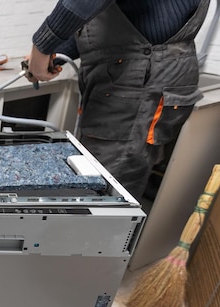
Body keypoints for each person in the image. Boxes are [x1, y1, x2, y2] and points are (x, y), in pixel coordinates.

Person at [26, 0, 210, 201]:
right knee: (93, 173)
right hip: (123, 77)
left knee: (105, 188)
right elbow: (108, 21)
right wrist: (55, 54)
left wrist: (43, 45)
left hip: (139, 81)